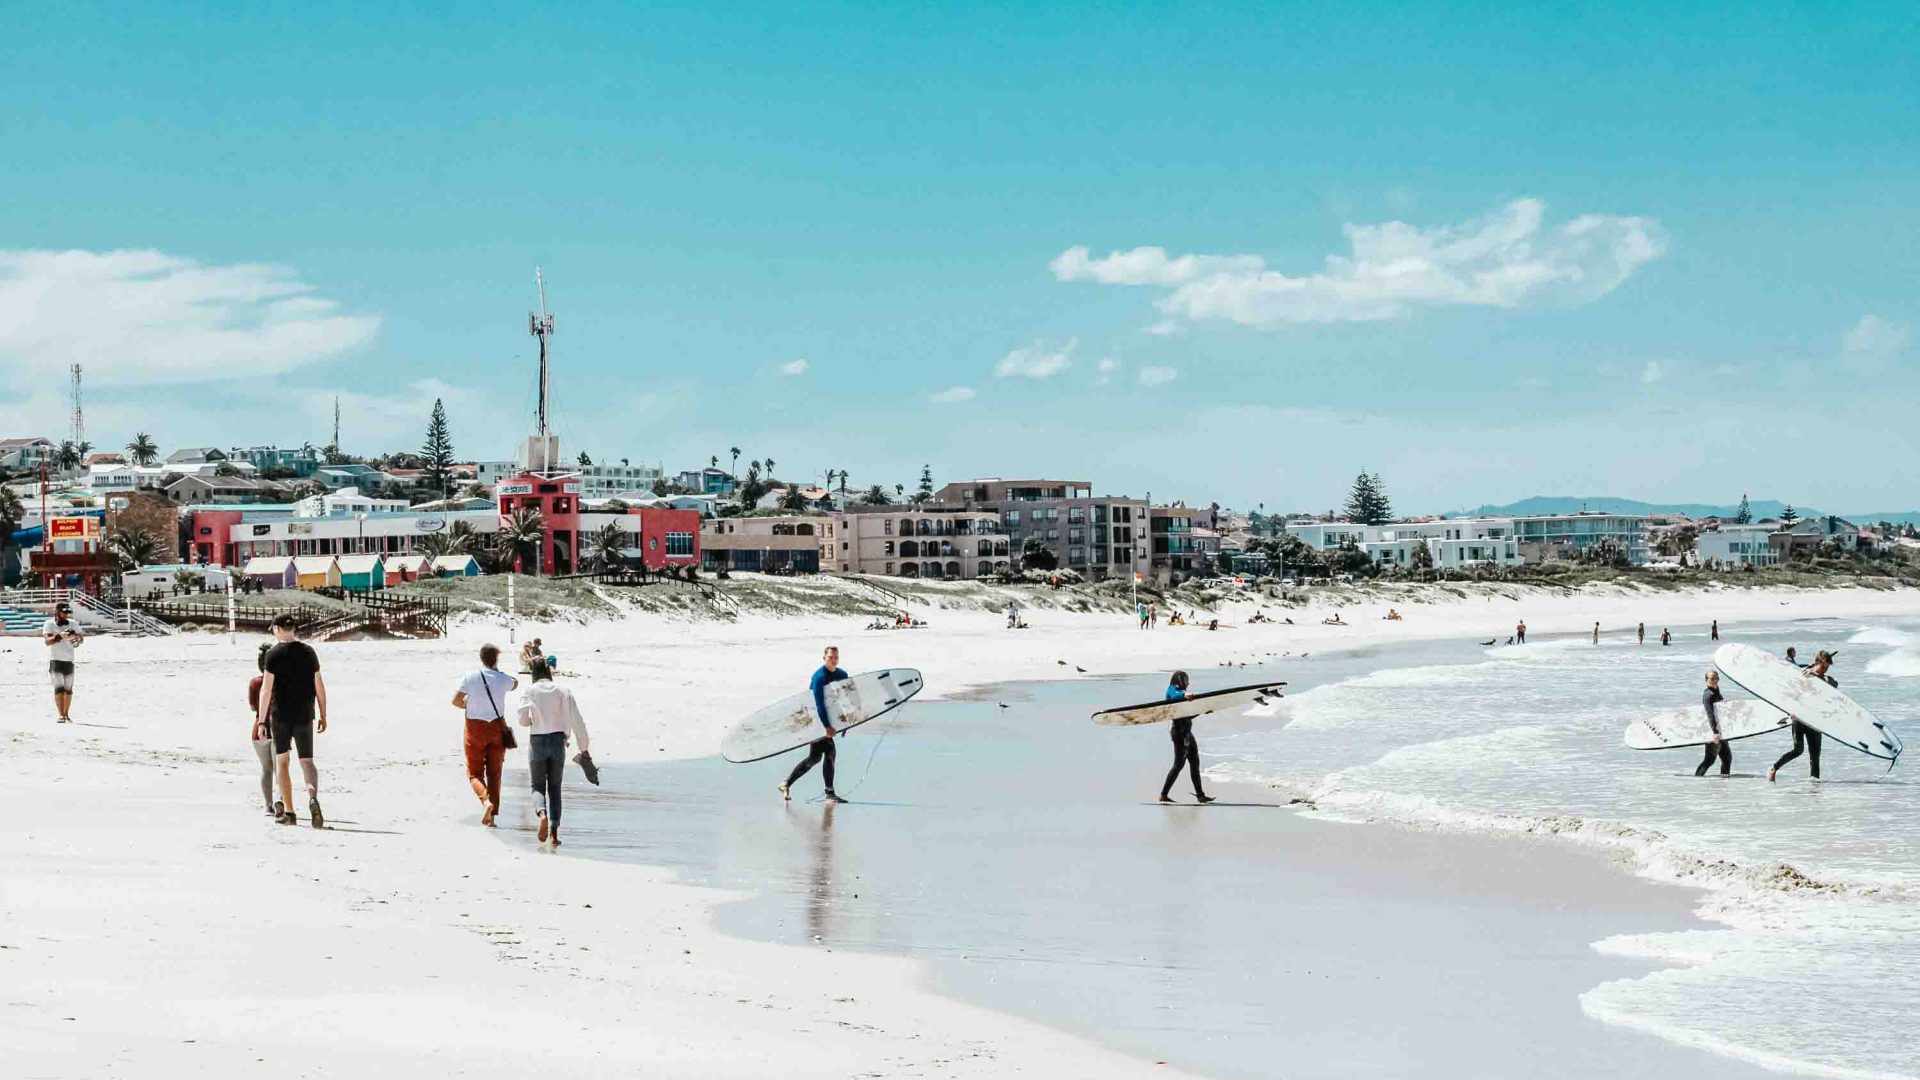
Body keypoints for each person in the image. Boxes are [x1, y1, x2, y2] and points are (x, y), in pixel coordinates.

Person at [257, 613, 326, 827]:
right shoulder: (308, 652)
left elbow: (266, 690)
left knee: (283, 762)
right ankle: (312, 797)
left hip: (281, 716)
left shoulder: (273, 654)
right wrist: (323, 714)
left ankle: (289, 811)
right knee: (307, 761)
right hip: (304, 713)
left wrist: (261, 721)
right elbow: (319, 685)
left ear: (277, 629)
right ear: (293, 629)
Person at [516, 658, 591, 846]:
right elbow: (578, 721)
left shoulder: (529, 691)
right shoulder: (563, 691)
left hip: (537, 740)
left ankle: (542, 814)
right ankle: (554, 834)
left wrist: (531, 721)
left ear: (533, 674)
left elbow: (522, 719)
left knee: (537, 786)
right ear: (549, 672)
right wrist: (584, 748)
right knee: (555, 788)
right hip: (558, 741)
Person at [453, 644, 519, 826]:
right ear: (496, 659)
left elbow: (456, 700)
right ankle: (493, 817)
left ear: (481, 658)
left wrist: (469, 704)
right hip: (496, 728)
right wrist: (499, 673)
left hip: (474, 729)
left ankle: (486, 801)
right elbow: (515, 683)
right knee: (495, 773)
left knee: (474, 773)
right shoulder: (502, 678)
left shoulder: (470, 677)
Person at [781, 645, 847, 804]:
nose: (833, 660)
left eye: (836, 657)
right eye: (830, 657)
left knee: (815, 757)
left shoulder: (842, 675)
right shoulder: (819, 677)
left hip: (829, 720)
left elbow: (842, 700)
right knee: (830, 752)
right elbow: (818, 704)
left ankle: (786, 784)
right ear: (824, 658)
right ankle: (829, 793)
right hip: (816, 720)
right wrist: (826, 726)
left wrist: (845, 722)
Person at [1770, 651, 1834, 782]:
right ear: (1816, 663)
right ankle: (1774, 767)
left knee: (1815, 758)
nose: (1824, 670)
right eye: (1823, 667)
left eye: (1827, 668)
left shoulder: (1825, 679)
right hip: (1800, 718)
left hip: (1815, 721)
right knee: (1798, 750)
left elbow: (1833, 686)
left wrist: (1818, 675)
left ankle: (1814, 786)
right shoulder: (1803, 674)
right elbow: (1790, 691)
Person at [1158, 671, 1214, 804]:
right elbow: (1174, 695)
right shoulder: (1172, 690)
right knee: (1178, 765)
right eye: (1186, 680)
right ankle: (1163, 795)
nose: (1188, 683)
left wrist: (1202, 711)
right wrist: (1184, 694)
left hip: (1187, 733)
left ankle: (1200, 795)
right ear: (1180, 679)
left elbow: (1187, 716)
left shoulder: (1183, 696)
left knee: (1195, 764)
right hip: (1178, 733)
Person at [247, 643, 277, 815]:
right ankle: (282, 803)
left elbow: (253, 707)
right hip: (278, 728)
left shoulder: (255, 683)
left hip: (258, 729)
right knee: (280, 770)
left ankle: (268, 804)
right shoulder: (282, 682)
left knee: (266, 769)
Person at [42, 601, 84, 723]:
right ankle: (61, 715)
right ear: (57, 612)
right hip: (55, 659)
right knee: (59, 688)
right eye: (63, 613)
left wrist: (75, 636)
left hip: (69, 659)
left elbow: (81, 640)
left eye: (67, 613)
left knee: (68, 689)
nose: (66, 615)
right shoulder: (49, 624)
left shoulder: (73, 624)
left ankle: (67, 714)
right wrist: (59, 636)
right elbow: (47, 642)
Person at [1696, 670, 1732, 777]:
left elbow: (1719, 711)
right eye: (1712, 678)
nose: (1715, 680)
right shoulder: (1708, 694)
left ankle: (1724, 781)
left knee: (1727, 758)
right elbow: (1709, 713)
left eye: (1717, 678)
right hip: (1714, 732)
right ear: (1706, 680)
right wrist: (1715, 732)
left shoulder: (1716, 693)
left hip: (1721, 732)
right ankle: (1697, 780)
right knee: (1709, 760)